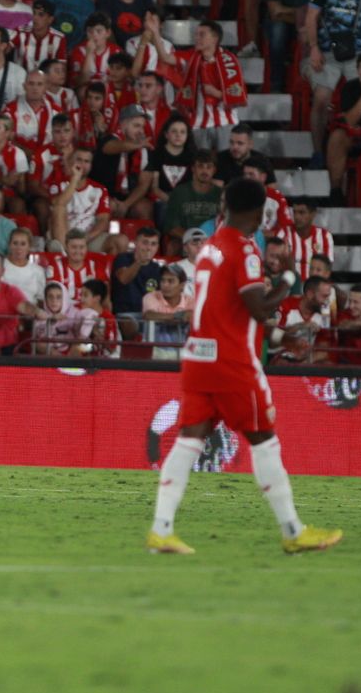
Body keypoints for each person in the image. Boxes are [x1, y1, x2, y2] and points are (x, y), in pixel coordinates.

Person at [147, 177, 343, 555]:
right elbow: (256, 307)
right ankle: (293, 531)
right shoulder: (244, 249)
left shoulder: (210, 248)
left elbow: (230, 313)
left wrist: (280, 339)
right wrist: (288, 279)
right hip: (231, 363)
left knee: (189, 440)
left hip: (198, 357)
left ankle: (161, 529)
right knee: (264, 440)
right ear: (260, 211)